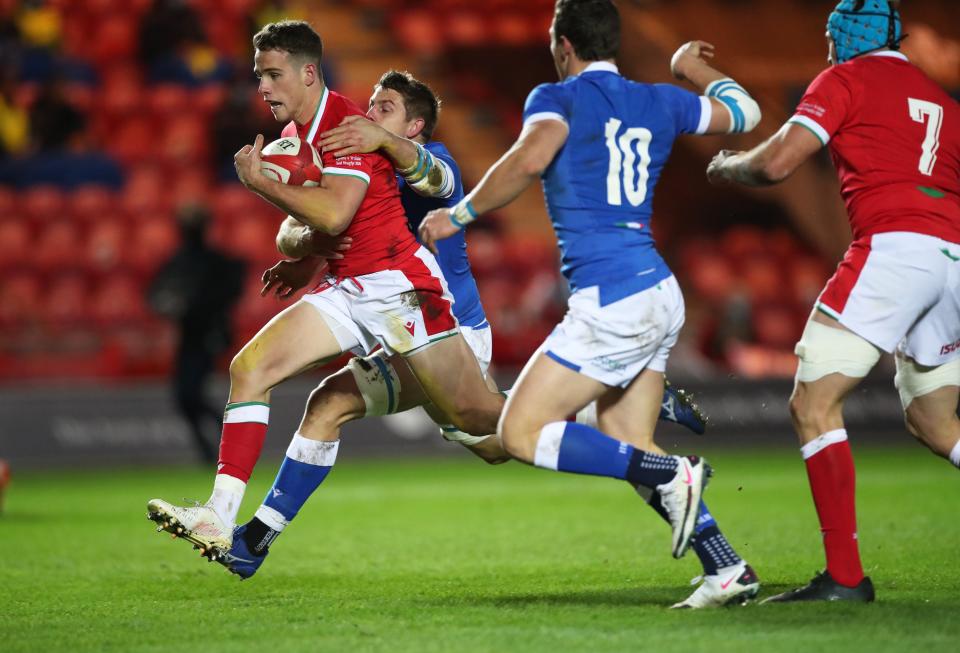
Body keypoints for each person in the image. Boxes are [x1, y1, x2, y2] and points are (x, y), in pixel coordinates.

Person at [218, 69, 709, 580]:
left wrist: (374, 152)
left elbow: (438, 183)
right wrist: (303, 252)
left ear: (414, 127)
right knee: (466, 437)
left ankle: (253, 539)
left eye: (385, 109)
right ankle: (604, 403)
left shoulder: (434, 162)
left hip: (446, 327)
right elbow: (319, 233)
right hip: (395, 323)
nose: (369, 115)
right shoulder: (357, 168)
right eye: (371, 105)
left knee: (471, 428)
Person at [419, 0, 763, 608]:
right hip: (658, 290)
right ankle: (726, 567)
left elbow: (529, 157)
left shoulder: (558, 99)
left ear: (562, 45)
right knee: (627, 438)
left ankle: (675, 473)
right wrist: (690, 66)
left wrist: (459, 214)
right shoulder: (660, 99)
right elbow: (745, 112)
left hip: (612, 300)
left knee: (520, 433)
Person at [146, 20, 507, 560]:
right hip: (349, 289)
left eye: (271, 75)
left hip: (408, 296)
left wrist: (265, 184)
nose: (261, 88)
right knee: (255, 371)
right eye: (258, 76)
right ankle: (224, 521)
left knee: (491, 432)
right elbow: (306, 229)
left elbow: (359, 207)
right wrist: (303, 247)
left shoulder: (358, 132)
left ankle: (600, 427)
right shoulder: (306, 139)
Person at [706, 0, 960, 603]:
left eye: (830, 37)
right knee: (934, 421)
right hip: (953, 254)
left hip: (895, 247)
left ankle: (845, 577)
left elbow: (778, 162)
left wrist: (729, 167)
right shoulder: (945, 102)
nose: (825, 48)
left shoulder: (846, 78)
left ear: (847, 38)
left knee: (813, 403)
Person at [147, 203, 246, 464]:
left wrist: (191, 304)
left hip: (209, 333)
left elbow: (230, 289)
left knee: (190, 393)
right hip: (190, 335)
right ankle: (217, 446)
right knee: (186, 395)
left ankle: (223, 444)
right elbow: (155, 293)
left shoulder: (212, 261)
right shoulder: (181, 261)